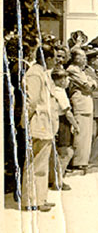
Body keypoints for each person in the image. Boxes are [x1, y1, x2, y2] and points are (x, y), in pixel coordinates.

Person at [21, 44, 58, 211]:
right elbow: (31, 101)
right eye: (55, 58)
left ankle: (40, 198)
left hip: (45, 124)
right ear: (48, 58)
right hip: (38, 123)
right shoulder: (35, 74)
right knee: (35, 163)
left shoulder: (42, 73)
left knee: (41, 164)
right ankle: (30, 200)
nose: (57, 61)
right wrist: (26, 122)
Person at [49, 68, 79, 190]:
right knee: (65, 153)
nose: (67, 81)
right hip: (63, 123)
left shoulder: (53, 90)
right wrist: (76, 125)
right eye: (66, 78)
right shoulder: (60, 92)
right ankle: (58, 180)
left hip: (57, 121)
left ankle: (55, 179)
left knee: (59, 153)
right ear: (60, 80)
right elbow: (67, 112)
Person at [65, 48, 95, 172]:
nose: (84, 59)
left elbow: (93, 84)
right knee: (80, 134)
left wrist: (90, 84)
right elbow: (87, 86)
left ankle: (83, 160)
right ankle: (77, 161)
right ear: (74, 58)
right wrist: (89, 84)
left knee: (87, 134)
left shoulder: (81, 71)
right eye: (81, 56)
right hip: (80, 104)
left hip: (86, 104)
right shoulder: (72, 70)